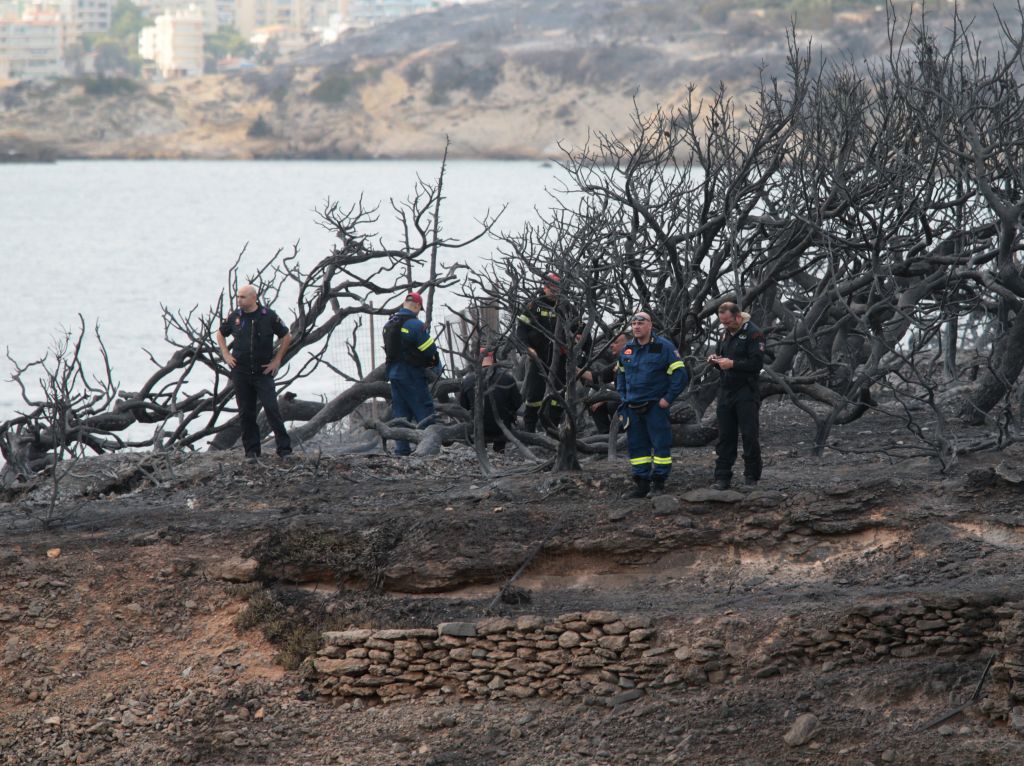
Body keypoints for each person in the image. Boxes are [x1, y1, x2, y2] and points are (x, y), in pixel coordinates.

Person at [216, 284, 293, 460]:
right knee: (246, 412)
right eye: (237, 296)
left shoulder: (268, 316)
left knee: (272, 408)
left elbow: (286, 336)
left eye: (242, 297)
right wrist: (226, 355)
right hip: (241, 372)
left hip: (262, 372)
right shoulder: (235, 317)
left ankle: (285, 450)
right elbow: (220, 334)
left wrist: (277, 360)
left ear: (253, 298)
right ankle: (252, 452)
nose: (238, 300)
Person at [616, 311, 689, 497]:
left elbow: (680, 375)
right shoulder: (627, 350)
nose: (637, 326)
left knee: (660, 446)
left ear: (650, 325)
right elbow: (621, 375)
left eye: (641, 323)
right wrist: (623, 396)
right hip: (632, 407)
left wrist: (668, 399)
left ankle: (658, 484)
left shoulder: (663, 346)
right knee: (637, 448)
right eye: (633, 324)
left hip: (655, 406)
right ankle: (641, 484)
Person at [707, 302, 765, 490]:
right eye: (722, 323)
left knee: (749, 434)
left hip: (746, 391)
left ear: (738, 317)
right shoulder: (725, 334)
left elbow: (756, 364)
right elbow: (723, 357)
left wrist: (733, 364)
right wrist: (716, 361)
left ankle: (751, 476)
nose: (725, 326)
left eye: (728, 322)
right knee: (725, 436)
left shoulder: (754, 333)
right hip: (726, 390)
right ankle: (722, 477)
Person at [515, 273, 577, 432]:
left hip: (562, 358)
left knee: (559, 394)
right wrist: (527, 349)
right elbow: (521, 330)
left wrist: (576, 338)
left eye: (557, 288)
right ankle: (530, 429)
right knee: (534, 393)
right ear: (544, 287)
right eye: (551, 288)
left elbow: (579, 328)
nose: (554, 291)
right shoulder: (533, 305)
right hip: (538, 358)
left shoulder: (567, 307)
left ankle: (553, 428)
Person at [383, 291, 442, 456]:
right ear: (416, 306)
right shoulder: (415, 325)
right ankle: (428, 448)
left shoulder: (390, 323)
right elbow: (430, 349)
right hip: (412, 375)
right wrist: (433, 364)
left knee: (401, 413)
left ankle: (401, 450)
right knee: (424, 410)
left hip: (394, 374)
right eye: (418, 308)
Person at [459, 347, 523, 453]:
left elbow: (464, 406)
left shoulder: (468, 381)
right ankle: (500, 450)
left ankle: (481, 450)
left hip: (479, 428)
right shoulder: (507, 378)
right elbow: (517, 403)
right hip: (502, 428)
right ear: (494, 359)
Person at [581, 330, 629, 434]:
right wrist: (576, 370)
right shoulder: (617, 364)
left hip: (634, 400)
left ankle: (623, 431)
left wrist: (604, 399)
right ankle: (606, 434)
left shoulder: (636, 360)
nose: (611, 345)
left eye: (616, 342)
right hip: (619, 397)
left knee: (612, 403)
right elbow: (596, 377)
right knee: (594, 404)